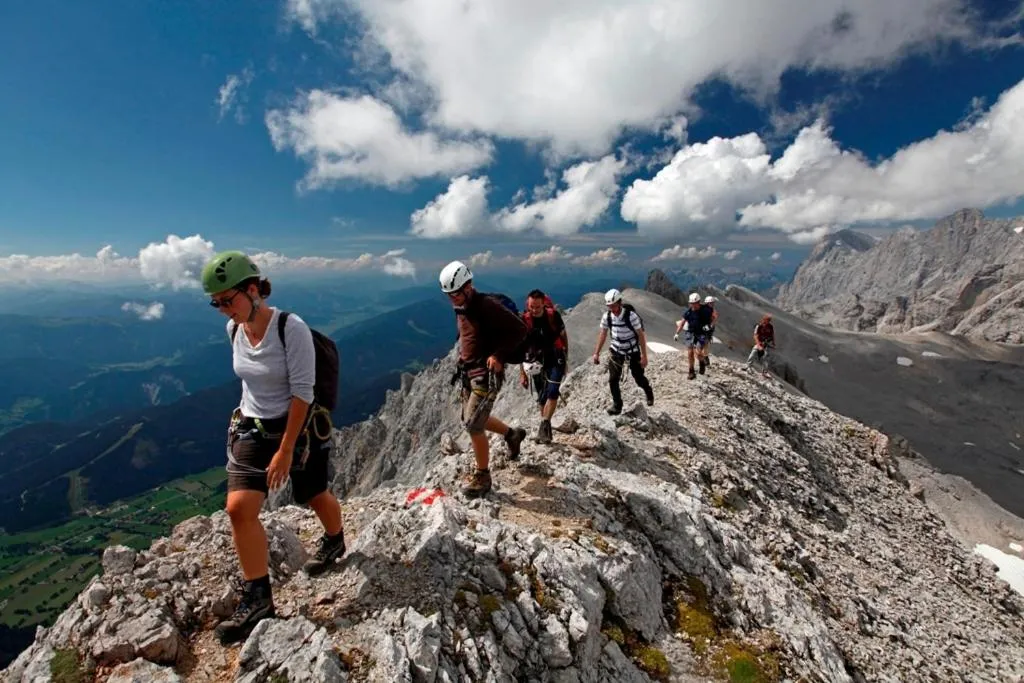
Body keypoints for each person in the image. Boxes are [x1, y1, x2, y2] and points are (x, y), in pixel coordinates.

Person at [201, 250, 346, 646]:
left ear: (253, 290)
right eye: (217, 303)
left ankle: (335, 538)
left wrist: (285, 451)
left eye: (228, 300)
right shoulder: (235, 330)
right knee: (238, 509)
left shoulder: (290, 327)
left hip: (296, 430)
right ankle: (259, 598)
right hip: (251, 427)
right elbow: (250, 380)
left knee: (313, 494)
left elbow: (302, 392)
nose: (223, 310)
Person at [440, 260, 528, 498]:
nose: (452, 298)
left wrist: (499, 355)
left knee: (472, 424)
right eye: (448, 295)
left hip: (486, 375)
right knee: (474, 417)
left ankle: (483, 476)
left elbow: (520, 329)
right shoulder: (463, 306)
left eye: (456, 293)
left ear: (468, 286)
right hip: (469, 373)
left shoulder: (485, 305)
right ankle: (512, 434)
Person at [592, 289, 654, 415]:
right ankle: (617, 405)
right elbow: (603, 334)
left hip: (632, 350)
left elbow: (641, 335)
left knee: (638, 377)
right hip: (616, 350)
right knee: (613, 379)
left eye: (614, 306)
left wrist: (644, 356)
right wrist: (596, 353)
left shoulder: (631, 316)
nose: (612, 309)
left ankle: (648, 391)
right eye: (609, 306)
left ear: (620, 303)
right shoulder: (607, 316)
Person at [518, 289, 569, 444]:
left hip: (556, 356)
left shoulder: (553, 316)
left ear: (544, 304)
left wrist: (566, 358)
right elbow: (521, 347)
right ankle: (544, 429)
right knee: (542, 397)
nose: (534, 310)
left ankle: (545, 423)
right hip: (536, 361)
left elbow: (563, 337)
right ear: (528, 304)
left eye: (537, 307)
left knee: (553, 391)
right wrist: (522, 372)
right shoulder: (525, 320)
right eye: (531, 307)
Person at [673, 292, 713, 379]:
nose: (693, 305)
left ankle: (701, 362)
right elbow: (682, 323)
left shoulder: (706, 310)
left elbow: (713, 317)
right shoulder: (688, 312)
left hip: (701, 333)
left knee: (698, 353)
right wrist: (677, 333)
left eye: (694, 303)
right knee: (690, 353)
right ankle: (691, 371)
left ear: (698, 302)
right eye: (691, 303)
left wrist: (709, 325)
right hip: (690, 333)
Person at [701, 295, 718, 366]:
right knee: (704, 343)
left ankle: (705, 357)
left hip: (707, 329)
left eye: (712, 303)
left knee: (705, 343)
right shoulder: (703, 309)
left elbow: (714, 319)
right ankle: (703, 357)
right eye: (711, 303)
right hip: (703, 328)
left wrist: (710, 326)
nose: (712, 304)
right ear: (707, 303)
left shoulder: (712, 311)